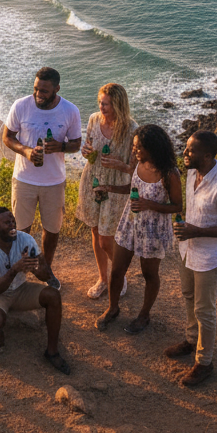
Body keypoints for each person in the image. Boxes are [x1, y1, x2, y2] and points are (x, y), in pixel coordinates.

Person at [164, 130, 217, 387]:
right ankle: (191, 340)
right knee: (188, 297)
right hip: (189, 250)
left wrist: (196, 230)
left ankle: (204, 362)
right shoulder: (191, 173)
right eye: (186, 148)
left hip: (211, 258)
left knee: (205, 310)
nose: (185, 153)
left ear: (208, 156)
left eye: (191, 150)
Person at [94, 124, 182, 333]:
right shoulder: (138, 164)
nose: (134, 151)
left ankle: (144, 315)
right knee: (116, 271)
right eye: (134, 146)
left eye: (139, 147)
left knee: (149, 274)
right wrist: (108, 188)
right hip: (130, 223)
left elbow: (178, 207)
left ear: (153, 147)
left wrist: (148, 204)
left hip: (153, 229)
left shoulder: (170, 173)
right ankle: (113, 309)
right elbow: (132, 189)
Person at [2, 66, 82, 290]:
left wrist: (62, 146)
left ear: (57, 89)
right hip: (24, 180)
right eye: (36, 89)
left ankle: (46, 269)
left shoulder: (70, 111)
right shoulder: (21, 105)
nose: (39, 94)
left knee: (52, 230)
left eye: (44, 91)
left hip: (54, 182)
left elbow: (76, 143)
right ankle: (18, 274)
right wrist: (26, 151)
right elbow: (7, 137)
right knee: (19, 230)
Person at [0, 205, 70, 374]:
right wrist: (14, 269)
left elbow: (46, 275)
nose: (12, 225)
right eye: (6, 223)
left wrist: (34, 267)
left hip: (20, 289)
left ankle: (52, 351)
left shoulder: (25, 239)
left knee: (53, 296)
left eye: (13, 221)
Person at [75, 82, 137, 300]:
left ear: (118, 105)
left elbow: (135, 166)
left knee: (106, 238)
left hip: (116, 185)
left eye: (106, 104)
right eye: (100, 102)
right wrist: (85, 151)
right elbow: (88, 146)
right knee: (95, 230)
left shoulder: (131, 129)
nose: (101, 107)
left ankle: (119, 275)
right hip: (93, 180)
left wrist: (120, 165)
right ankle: (103, 278)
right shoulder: (94, 119)